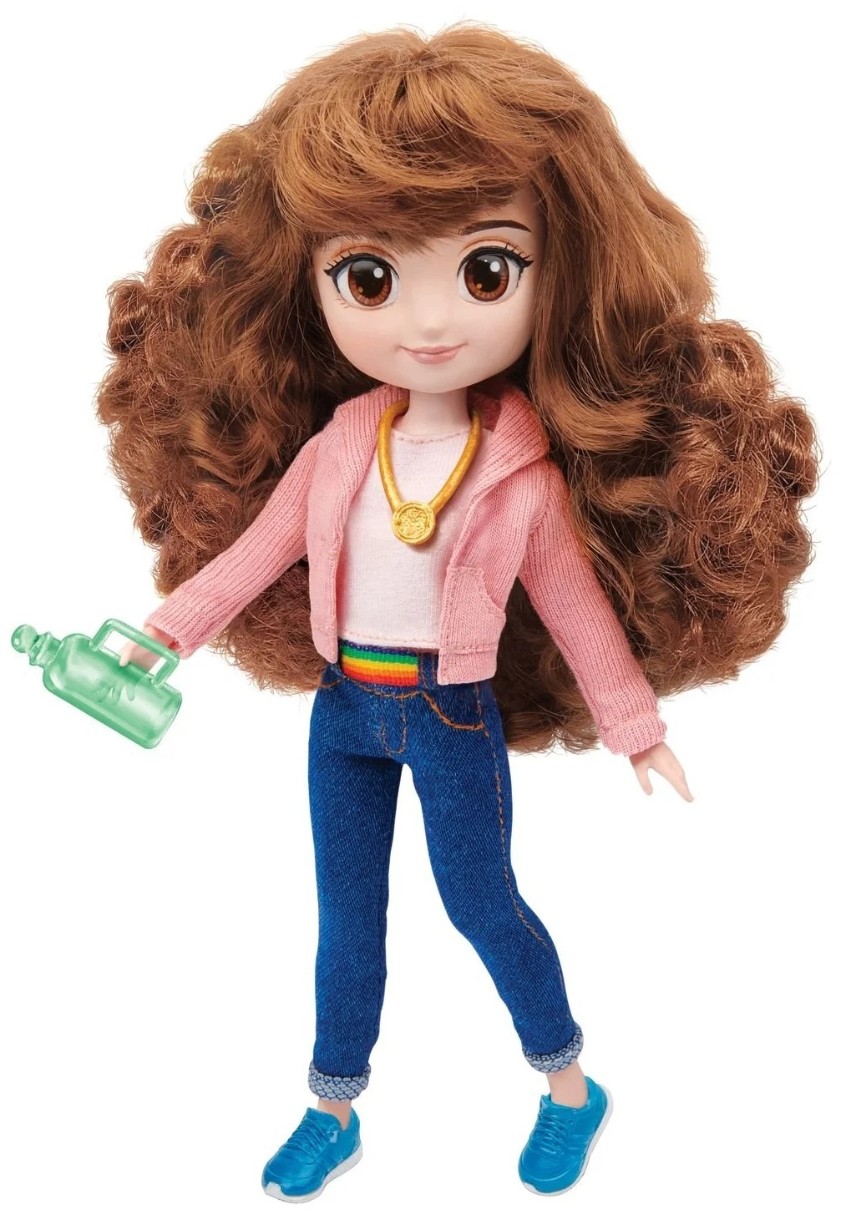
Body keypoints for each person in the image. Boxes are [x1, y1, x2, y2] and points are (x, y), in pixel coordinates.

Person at [100, 24, 818, 1202]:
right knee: (347, 921)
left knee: (482, 903)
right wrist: (164, 632)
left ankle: (570, 1086)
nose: (428, 323)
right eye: (370, 277)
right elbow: (257, 553)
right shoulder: (342, 445)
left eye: (486, 271)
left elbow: (577, 612)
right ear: (309, 282)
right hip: (345, 708)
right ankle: (333, 1106)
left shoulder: (520, 476)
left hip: (448, 712)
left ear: (556, 273)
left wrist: (635, 727)